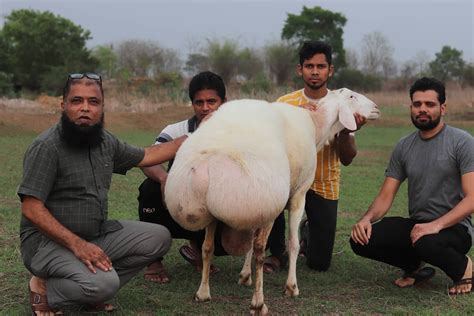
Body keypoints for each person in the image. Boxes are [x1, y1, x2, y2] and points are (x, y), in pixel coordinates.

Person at [19, 73, 187, 315]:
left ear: (102, 106)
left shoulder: (105, 141)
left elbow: (147, 156)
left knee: (158, 238)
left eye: (93, 102)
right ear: (63, 104)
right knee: (105, 285)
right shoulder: (46, 147)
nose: (85, 108)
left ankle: (88, 283)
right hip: (46, 243)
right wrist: (78, 246)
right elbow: (31, 208)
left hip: (94, 235)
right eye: (77, 101)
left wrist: (191, 140)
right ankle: (44, 286)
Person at [350, 77, 473, 295]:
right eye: (417, 104)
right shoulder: (404, 146)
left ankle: (464, 269)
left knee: (426, 242)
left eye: (430, 104)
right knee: (360, 240)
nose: (422, 110)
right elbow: (385, 196)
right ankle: (414, 267)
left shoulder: (462, 142)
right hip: (419, 226)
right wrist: (365, 219)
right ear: (411, 107)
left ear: (443, 108)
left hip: (455, 228)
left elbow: (472, 198)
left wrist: (436, 225)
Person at [264, 40, 367, 272]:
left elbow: (348, 159)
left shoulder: (342, 104)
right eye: (309, 66)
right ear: (300, 69)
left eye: (321, 66)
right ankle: (276, 252)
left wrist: (347, 131)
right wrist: (298, 120)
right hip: (287, 181)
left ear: (330, 70)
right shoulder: (284, 104)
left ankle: (308, 231)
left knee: (319, 264)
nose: (315, 72)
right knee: (272, 199)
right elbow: (270, 146)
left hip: (323, 184)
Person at [137, 71, 227, 283]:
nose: (205, 108)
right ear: (192, 104)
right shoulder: (177, 130)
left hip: (218, 205)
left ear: (224, 102)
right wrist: (164, 179)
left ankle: (200, 249)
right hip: (181, 204)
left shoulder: (238, 132)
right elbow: (150, 159)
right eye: (199, 102)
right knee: (149, 188)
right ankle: (154, 261)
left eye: (211, 101)